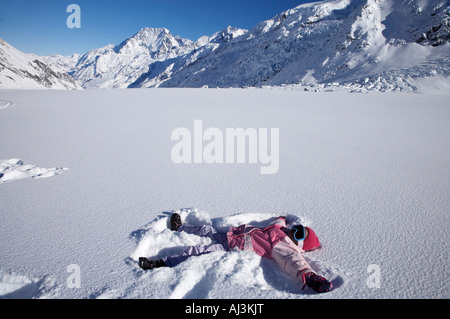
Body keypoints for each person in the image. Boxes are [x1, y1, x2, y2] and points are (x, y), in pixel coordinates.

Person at [138, 213, 333, 293]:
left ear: (298, 243)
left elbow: (294, 262)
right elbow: (280, 220)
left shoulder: (285, 247)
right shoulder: (280, 229)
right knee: (205, 230)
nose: (294, 230)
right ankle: (180, 228)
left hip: (233, 246)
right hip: (233, 233)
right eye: (297, 227)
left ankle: (161, 263)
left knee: (197, 251)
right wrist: (283, 218)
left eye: (298, 233)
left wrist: (310, 277)